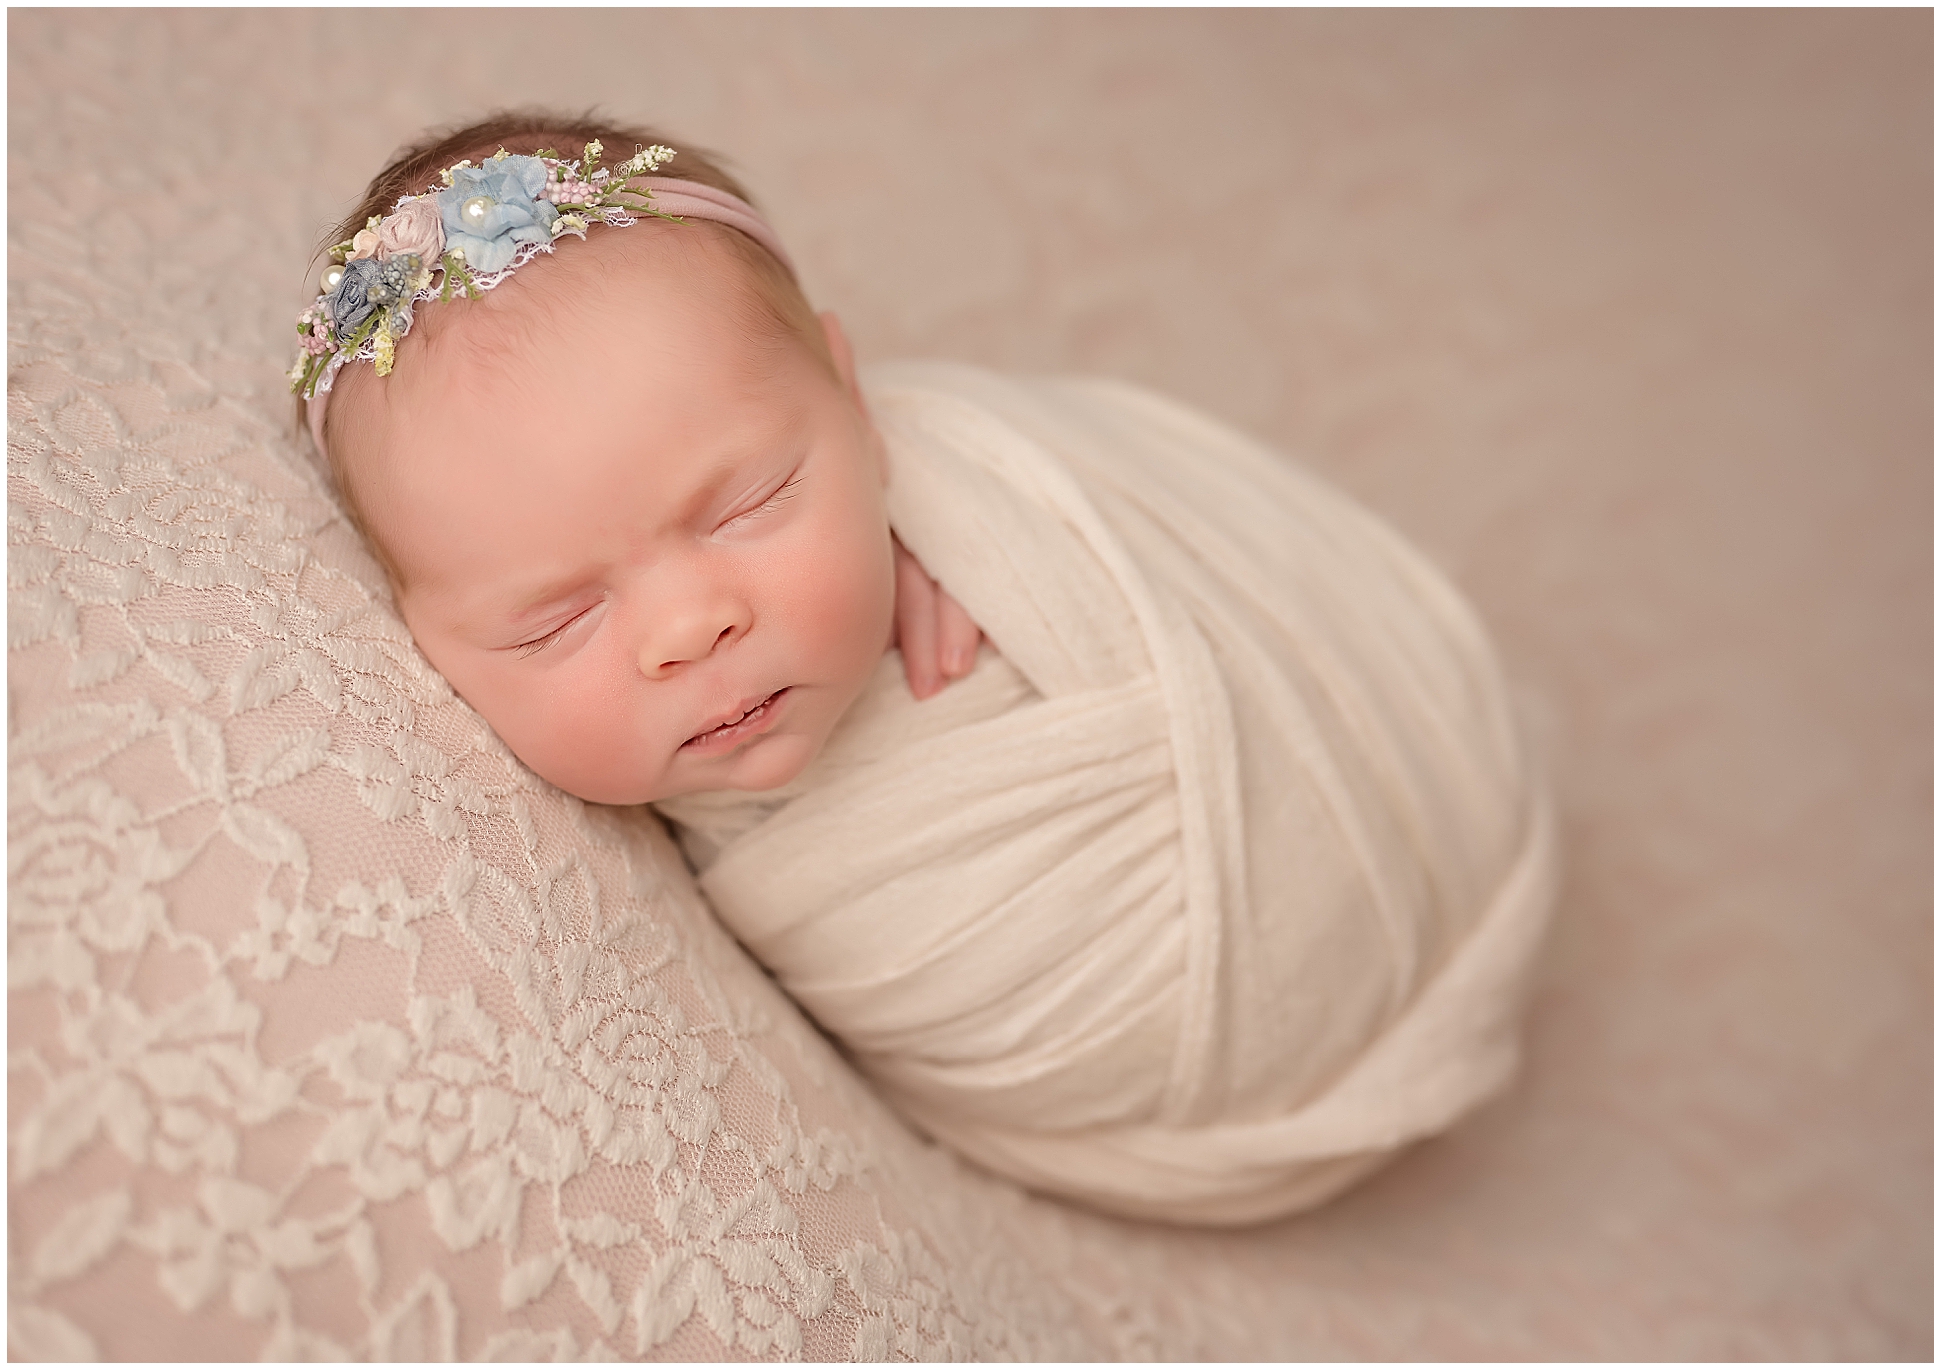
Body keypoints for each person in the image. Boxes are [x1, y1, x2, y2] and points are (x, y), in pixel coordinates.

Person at [297, 111, 1559, 1224]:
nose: (688, 627)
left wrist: (960, 508)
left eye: (750, 502)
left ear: (851, 400)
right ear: (425, 643)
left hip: (1410, 760)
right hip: (1210, 1107)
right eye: (556, 619)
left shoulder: (947, 476)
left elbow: (1053, 474)